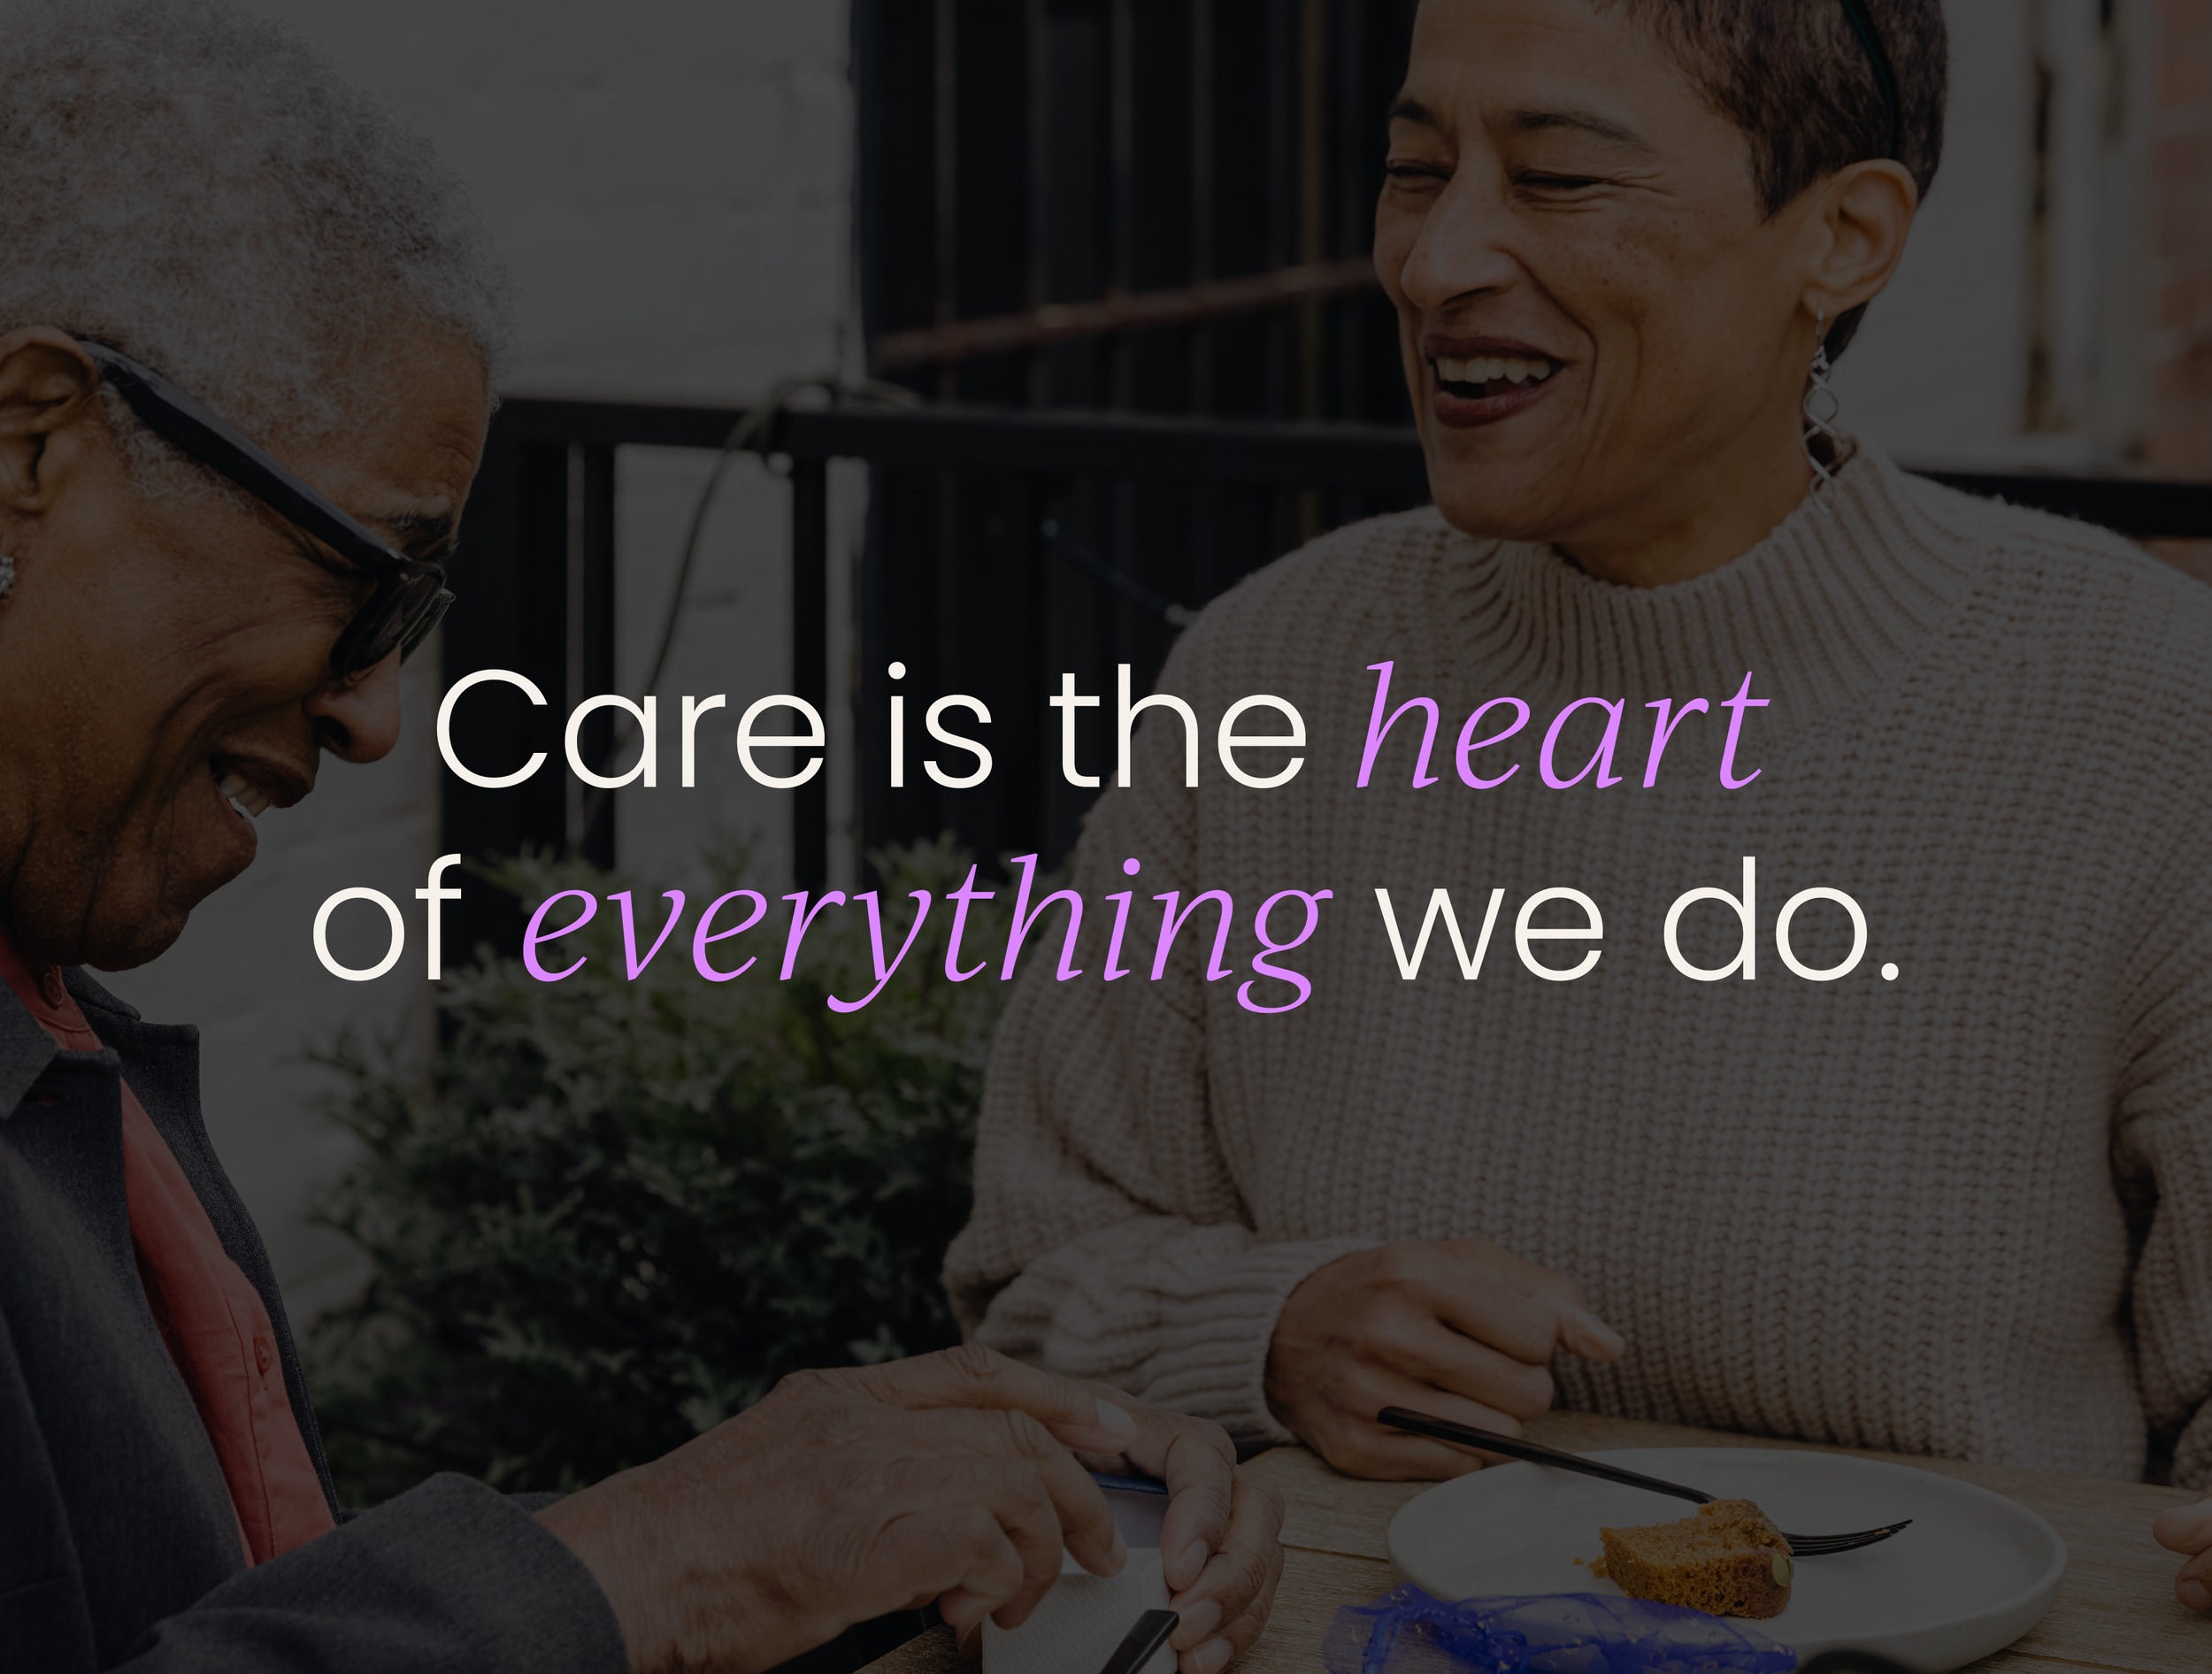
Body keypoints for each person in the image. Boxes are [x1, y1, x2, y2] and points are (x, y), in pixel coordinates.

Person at [0, 3, 1282, 1670]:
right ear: (32, 442)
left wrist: (834, 1532)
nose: (378, 711)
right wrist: (662, 1559)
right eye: (365, 584)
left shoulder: (52, 1008)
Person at [944, 0, 2212, 1618]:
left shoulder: (2150, 712)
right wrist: (1267, 1325)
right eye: (1415, 169)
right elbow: (1027, 1290)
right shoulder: (1270, 672)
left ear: (1843, 233)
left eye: (1554, 179)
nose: (1433, 260)